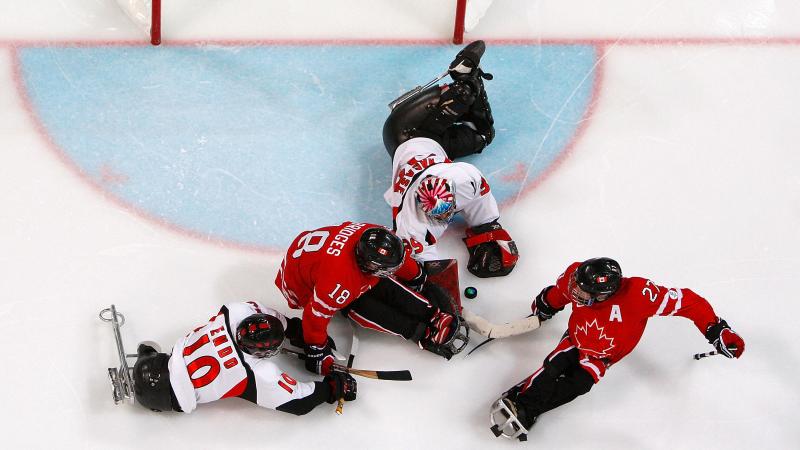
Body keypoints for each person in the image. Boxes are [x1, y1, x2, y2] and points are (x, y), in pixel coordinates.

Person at [489, 257, 745, 441]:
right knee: (554, 366)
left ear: (605, 294)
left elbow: (690, 302)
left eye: (584, 292)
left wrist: (716, 330)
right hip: (576, 340)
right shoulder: (575, 276)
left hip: (604, 357)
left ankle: (531, 408)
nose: (576, 293)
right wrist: (545, 305)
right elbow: (559, 293)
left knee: (579, 385)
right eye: (577, 285)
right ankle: (524, 402)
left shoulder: (639, 295)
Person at [382, 40, 518, 278]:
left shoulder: (466, 178)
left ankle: (467, 74)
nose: (445, 218)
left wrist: (487, 234)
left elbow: (486, 221)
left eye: (446, 211)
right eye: (440, 215)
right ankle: (466, 88)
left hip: (409, 133)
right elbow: (426, 270)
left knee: (467, 102)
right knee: (482, 133)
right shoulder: (411, 221)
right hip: (418, 136)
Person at [275, 222, 469, 368]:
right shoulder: (338, 283)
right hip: (298, 286)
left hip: (316, 257)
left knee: (381, 280)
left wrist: (416, 276)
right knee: (360, 304)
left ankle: (430, 314)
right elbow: (314, 315)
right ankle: (419, 331)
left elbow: (397, 262)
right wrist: (315, 348)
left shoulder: (373, 235)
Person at [132, 300, 357, 415]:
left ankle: (146, 355)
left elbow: (268, 317)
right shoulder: (254, 374)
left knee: (167, 357)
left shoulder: (235, 312)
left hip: (153, 365)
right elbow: (299, 402)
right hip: (165, 398)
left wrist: (305, 337)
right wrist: (333, 388)